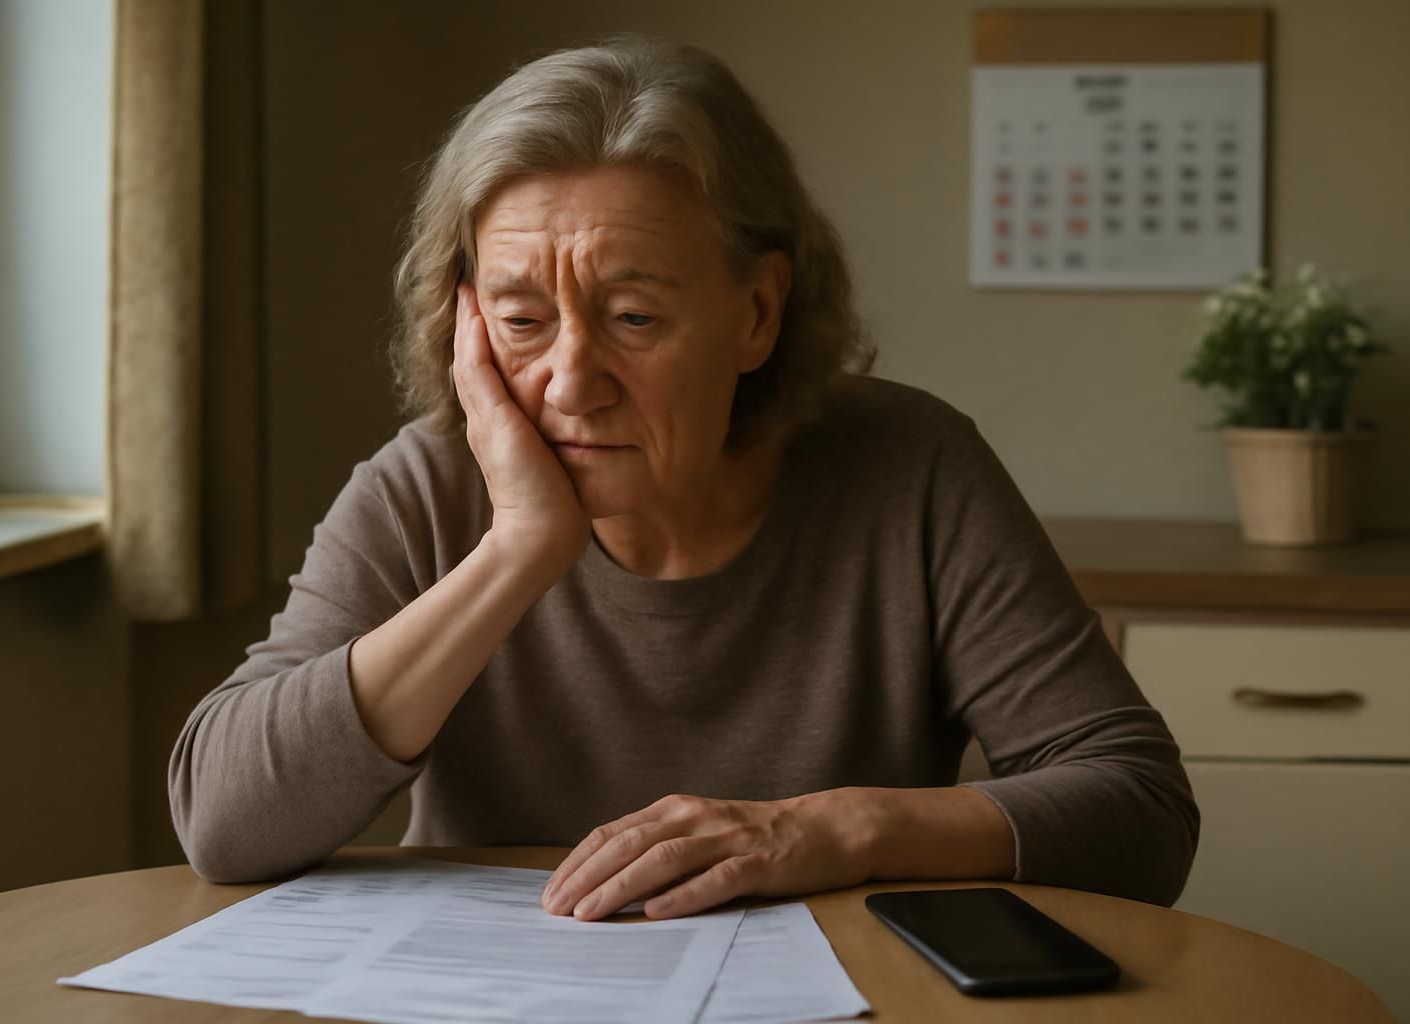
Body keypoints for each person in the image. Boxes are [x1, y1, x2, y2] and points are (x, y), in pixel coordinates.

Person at [169, 35, 1198, 920]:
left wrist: (834, 825)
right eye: (522, 322)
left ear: (757, 313)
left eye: (634, 319)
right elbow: (221, 820)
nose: (571, 383)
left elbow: (1139, 810)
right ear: (465, 323)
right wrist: (517, 554)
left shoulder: (912, 470)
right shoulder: (423, 489)